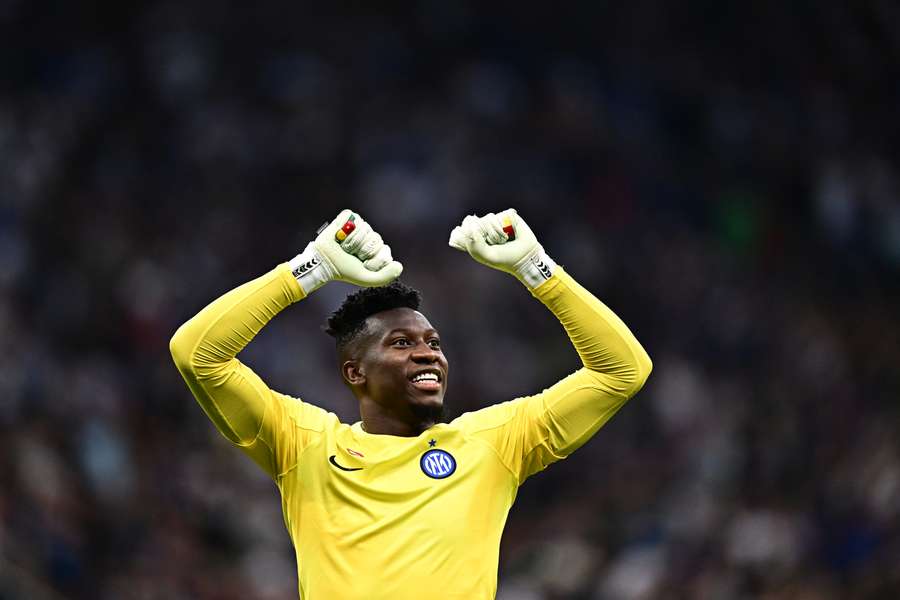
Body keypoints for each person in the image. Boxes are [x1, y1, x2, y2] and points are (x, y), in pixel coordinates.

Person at [169, 208, 652, 599]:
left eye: (434, 342)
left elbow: (622, 371)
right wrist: (309, 269)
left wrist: (538, 270)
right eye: (401, 343)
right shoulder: (305, 444)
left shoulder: (492, 443)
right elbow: (197, 354)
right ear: (355, 372)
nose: (427, 353)